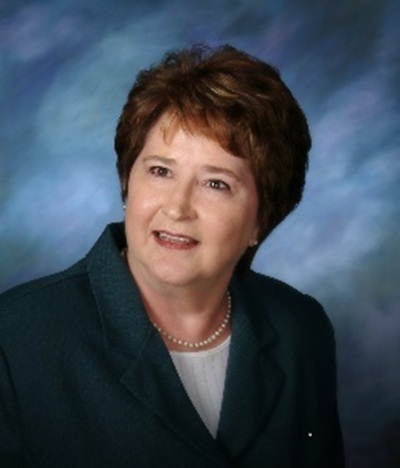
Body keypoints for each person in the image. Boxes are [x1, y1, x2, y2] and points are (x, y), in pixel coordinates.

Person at [0, 44, 344, 467]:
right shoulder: (15, 340)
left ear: (261, 218)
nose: (178, 208)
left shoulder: (301, 329)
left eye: (216, 183)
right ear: (127, 183)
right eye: (160, 171)